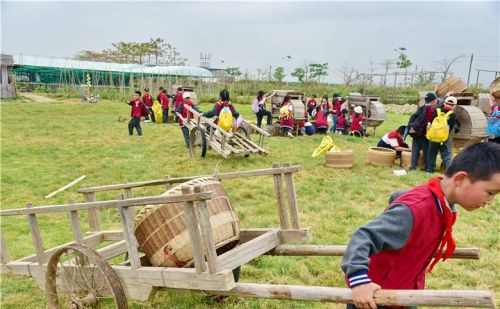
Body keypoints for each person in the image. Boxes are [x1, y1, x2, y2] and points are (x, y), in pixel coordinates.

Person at [341, 142, 500, 309]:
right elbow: (363, 236)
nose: (490, 201)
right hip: (375, 298)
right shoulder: (415, 209)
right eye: (490, 193)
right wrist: (359, 282)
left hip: (406, 291)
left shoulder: (440, 202)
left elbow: (398, 196)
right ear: (460, 179)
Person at [426, 96, 457, 173]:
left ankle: (429, 170)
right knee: (446, 155)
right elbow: (451, 127)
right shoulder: (452, 114)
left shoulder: (437, 111)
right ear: (454, 106)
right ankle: (450, 171)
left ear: (445, 103)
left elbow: (430, 121)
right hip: (444, 138)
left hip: (433, 136)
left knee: (432, 153)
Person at [408, 92, 437, 171]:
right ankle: (427, 167)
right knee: (426, 151)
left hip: (415, 133)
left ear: (425, 100)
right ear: (434, 101)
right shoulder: (433, 110)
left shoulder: (420, 108)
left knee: (415, 150)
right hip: (425, 134)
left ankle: (413, 166)